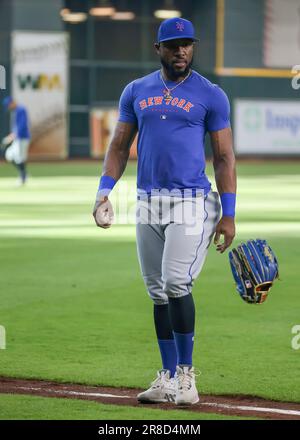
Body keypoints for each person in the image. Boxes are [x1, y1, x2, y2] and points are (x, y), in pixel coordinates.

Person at [93, 17, 236, 406]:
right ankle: (168, 378)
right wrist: (103, 193)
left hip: (191, 201)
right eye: (173, 45)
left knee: (176, 282)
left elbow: (223, 157)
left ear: (193, 47)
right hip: (147, 200)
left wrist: (229, 213)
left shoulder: (211, 94)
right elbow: (119, 147)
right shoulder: (136, 91)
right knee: (157, 292)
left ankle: (187, 377)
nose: (181, 51)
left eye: (187, 44)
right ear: (159, 49)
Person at [1, 96, 31, 185]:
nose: (8, 107)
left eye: (9, 104)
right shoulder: (16, 111)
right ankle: (24, 174)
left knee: (19, 158)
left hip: (23, 138)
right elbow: (16, 128)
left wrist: (12, 136)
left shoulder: (21, 109)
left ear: (12, 102)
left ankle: (23, 177)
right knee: (9, 155)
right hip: (18, 138)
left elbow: (22, 125)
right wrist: (11, 136)